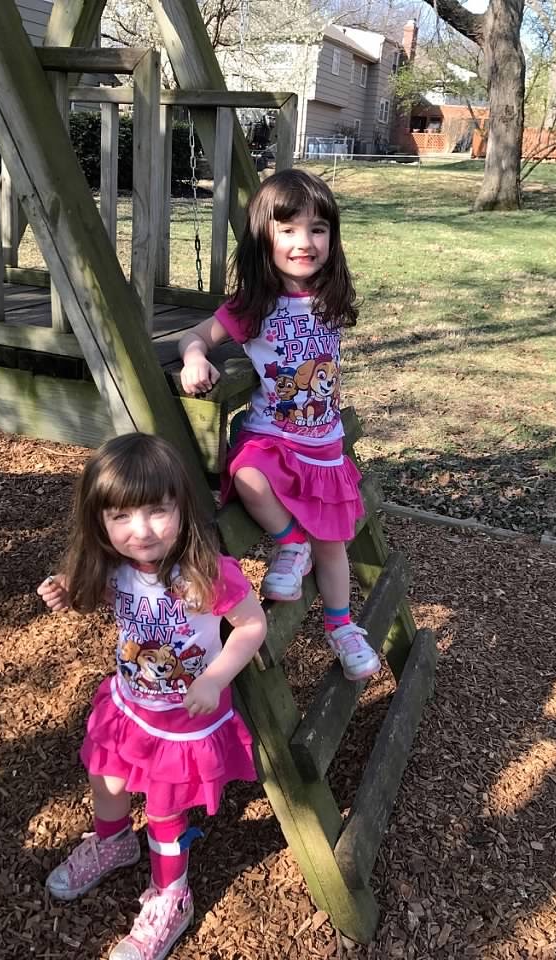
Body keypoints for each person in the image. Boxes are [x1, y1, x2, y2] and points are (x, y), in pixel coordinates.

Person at [37, 433, 267, 960]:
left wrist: (216, 677)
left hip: (183, 721)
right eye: (120, 516)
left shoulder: (208, 574)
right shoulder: (115, 566)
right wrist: (65, 590)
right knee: (106, 775)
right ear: (99, 521)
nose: (140, 531)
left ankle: (171, 895)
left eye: (156, 512)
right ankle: (114, 841)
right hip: (129, 705)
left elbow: (252, 625)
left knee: (166, 810)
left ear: (182, 508)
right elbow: (89, 592)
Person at [178, 168, 380, 682]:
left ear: (332, 238)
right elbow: (194, 334)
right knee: (246, 474)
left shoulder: (332, 299)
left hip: (324, 444)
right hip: (271, 436)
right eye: (287, 230)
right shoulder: (255, 305)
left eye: (317, 229)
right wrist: (196, 358)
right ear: (264, 237)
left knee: (334, 543)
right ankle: (291, 543)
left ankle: (341, 626)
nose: (303, 242)